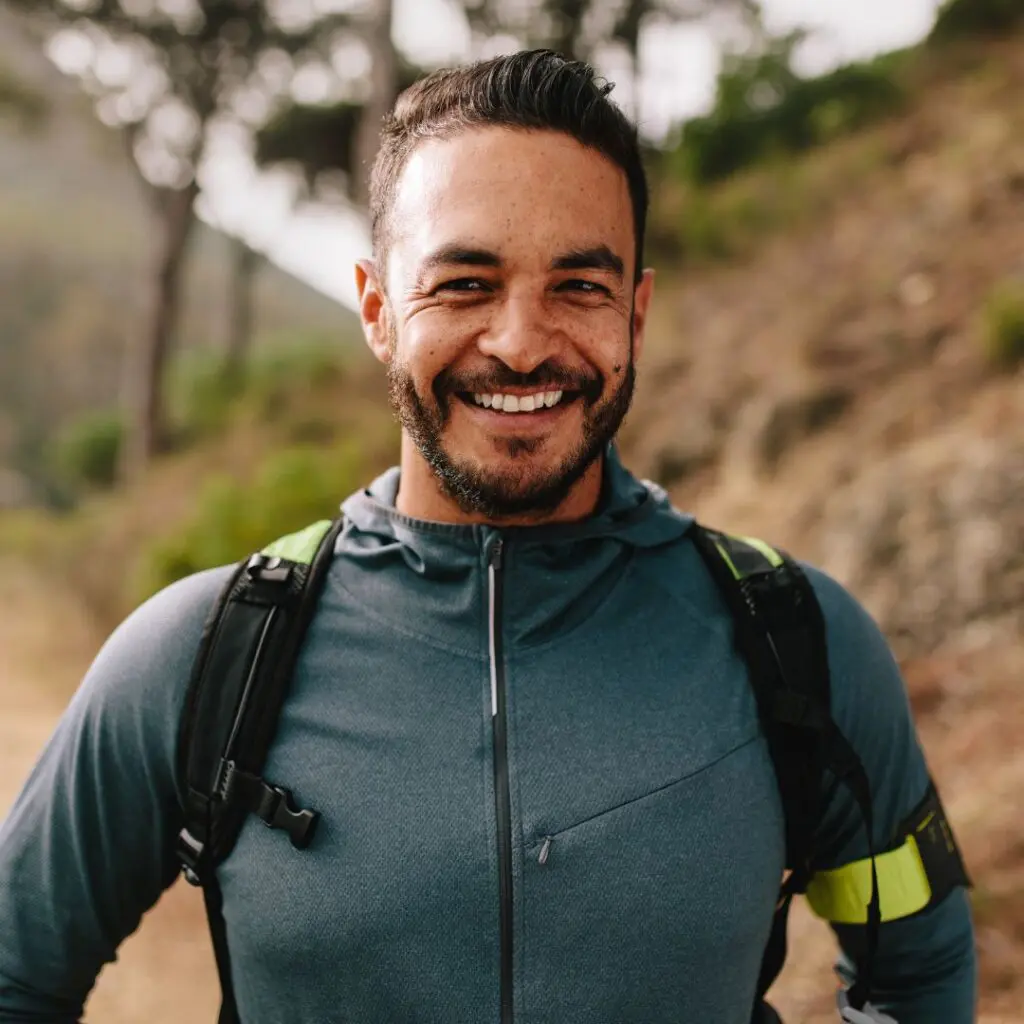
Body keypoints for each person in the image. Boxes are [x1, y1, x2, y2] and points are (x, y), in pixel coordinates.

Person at [0, 49, 975, 1024]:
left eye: (578, 286)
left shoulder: (797, 643)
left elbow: (919, 976)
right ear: (379, 309)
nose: (520, 341)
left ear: (636, 313)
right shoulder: (203, 654)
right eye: (464, 283)